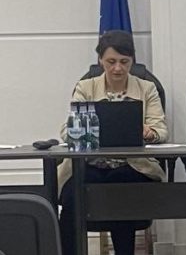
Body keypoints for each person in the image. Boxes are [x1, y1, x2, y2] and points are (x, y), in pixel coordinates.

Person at [57, 30, 168, 255]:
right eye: (111, 61)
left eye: (124, 62)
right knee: (72, 194)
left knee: (121, 188)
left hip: (133, 166)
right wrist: (85, 130)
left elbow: (161, 131)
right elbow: (66, 132)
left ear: (132, 61)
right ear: (100, 60)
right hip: (90, 164)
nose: (118, 68)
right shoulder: (85, 87)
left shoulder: (146, 88)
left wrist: (148, 132)